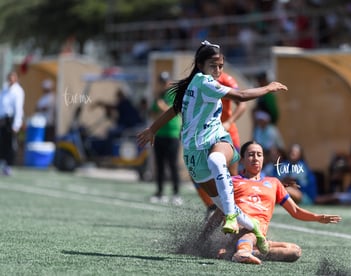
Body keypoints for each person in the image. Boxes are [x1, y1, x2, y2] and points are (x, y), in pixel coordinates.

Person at [137, 40, 288, 254]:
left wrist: (268, 88)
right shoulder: (195, 84)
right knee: (219, 202)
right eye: (213, 65)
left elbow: (241, 97)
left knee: (216, 161)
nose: (218, 70)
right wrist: (152, 129)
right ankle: (253, 227)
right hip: (193, 151)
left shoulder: (205, 82)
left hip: (218, 139)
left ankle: (232, 217)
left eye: (221, 65)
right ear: (200, 65)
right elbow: (175, 108)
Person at [205, 141, 342, 265]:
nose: (255, 158)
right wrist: (202, 239)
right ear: (243, 159)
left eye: (259, 154)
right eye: (251, 154)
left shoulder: (274, 183)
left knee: (294, 251)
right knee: (249, 230)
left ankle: (238, 251)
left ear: (263, 159)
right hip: (238, 228)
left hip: (259, 235)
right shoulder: (232, 181)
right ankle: (241, 253)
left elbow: (295, 211)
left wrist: (318, 218)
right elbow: (221, 210)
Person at [194, 71, 246, 217]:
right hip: (204, 136)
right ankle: (212, 208)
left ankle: (239, 211)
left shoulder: (225, 79)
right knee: (196, 173)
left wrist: (230, 121)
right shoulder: (197, 81)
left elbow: (242, 104)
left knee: (232, 176)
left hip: (226, 135)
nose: (216, 68)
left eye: (219, 64)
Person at [150, 72, 183, 205]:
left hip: (172, 135)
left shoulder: (174, 94)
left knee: (173, 165)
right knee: (160, 165)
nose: (163, 84)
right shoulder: (159, 96)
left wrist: (161, 105)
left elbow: (172, 111)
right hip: (160, 134)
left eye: (165, 81)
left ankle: (176, 194)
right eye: (161, 81)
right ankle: (160, 192)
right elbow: (153, 113)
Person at [92, 88, 143, 155]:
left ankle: (107, 153)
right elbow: (116, 115)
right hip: (127, 126)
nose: (118, 98)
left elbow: (112, 107)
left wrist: (100, 103)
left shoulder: (124, 103)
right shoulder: (125, 104)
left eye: (118, 96)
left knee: (110, 133)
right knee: (110, 131)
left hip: (128, 127)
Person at [0, 71, 25, 176]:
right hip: (2, 119)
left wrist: (16, 124)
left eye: (13, 77)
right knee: (2, 143)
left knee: (10, 144)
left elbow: (18, 108)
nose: (11, 79)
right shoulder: (5, 89)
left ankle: (8, 166)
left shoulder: (18, 91)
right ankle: (2, 163)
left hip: (11, 120)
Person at [252, 110, 285, 176]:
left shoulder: (272, 130)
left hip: (274, 150)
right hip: (263, 151)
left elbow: (273, 145)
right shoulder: (257, 130)